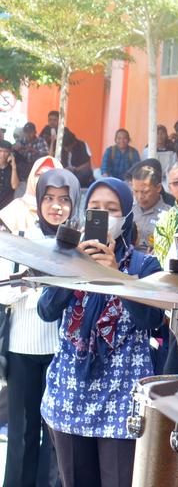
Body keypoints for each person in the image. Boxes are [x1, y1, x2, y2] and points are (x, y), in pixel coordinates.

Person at [39, 177, 163, 487]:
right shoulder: (67, 256)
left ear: (126, 216)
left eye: (112, 209)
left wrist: (117, 277)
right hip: (71, 390)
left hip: (121, 396)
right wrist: (75, 267)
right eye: (95, 208)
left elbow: (151, 318)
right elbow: (47, 310)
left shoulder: (144, 264)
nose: (103, 216)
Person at [0, 169, 77, 487]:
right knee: (21, 432)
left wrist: (36, 290)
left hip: (61, 351)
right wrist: (30, 289)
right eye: (49, 198)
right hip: (22, 348)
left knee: (55, 433)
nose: (56, 206)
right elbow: (3, 290)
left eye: (64, 200)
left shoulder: (79, 246)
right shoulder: (22, 239)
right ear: (39, 199)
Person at [0, 156, 60, 234]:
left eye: (50, 175)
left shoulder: (62, 213)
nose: (43, 180)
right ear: (31, 177)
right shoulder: (16, 208)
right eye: (39, 175)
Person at [130, 163, 170, 254]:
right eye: (136, 191)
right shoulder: (128, 212)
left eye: (145, 192)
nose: (140, 197)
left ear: (158, 188)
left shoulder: (170, 215)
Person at [0, 141, 19, 210]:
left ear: (10, 153)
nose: (2, 154)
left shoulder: (13, 168)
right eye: (0, 151)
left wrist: (13, 167)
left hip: (6, 208)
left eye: (6, 152)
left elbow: (15, 186)